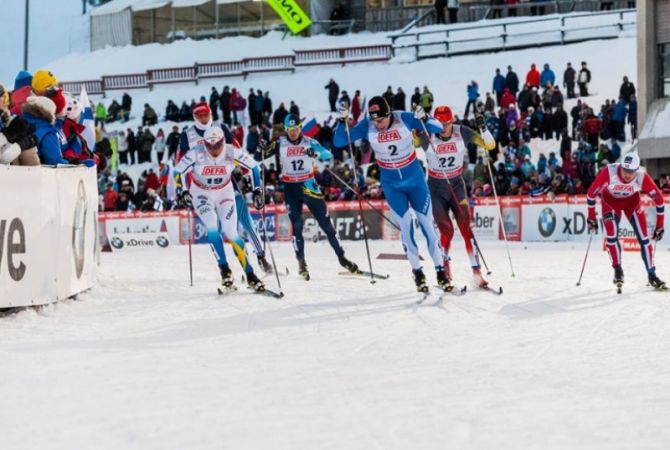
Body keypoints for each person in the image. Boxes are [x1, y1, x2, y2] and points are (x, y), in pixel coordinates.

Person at [334, 97, 447, 292]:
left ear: (389, 114)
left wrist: (425, 117)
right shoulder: (368, 125)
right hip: (392, 185)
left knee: (427, 225)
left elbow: (438, 127)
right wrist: (341, 122)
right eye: (375, 121)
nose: (378, 125)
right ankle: (418, 273)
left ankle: (441, 272)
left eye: (381, 120)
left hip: (415, 181)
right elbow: (339, 141)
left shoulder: (403, 118)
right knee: (406, 226)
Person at [260, 114, 359, 280]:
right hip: (291, 189)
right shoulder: (279, 144)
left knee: (326, 225)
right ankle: (301, 263)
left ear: (300, 128)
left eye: (296, 129)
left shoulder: (309, 142)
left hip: (309, 187)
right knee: (297, 226)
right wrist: (261, 148)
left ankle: (342, 258)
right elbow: (260, 156)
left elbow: (327, 155)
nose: (293, 132)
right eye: (290, 129)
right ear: (286, 130)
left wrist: (315, 154)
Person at [179, 101, 272, 272]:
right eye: (200, 116)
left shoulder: (220, 128)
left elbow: (236, 150)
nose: (203, 118)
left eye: (206, 115)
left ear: (210, 113)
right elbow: (181, 164)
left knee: (244, 220)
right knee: (216, 226)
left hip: (225, 182)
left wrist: (245, 175)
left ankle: (261, 258)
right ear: (194, 117)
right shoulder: (187, 135)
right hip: (201, 186)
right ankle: (233, 266)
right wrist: (184, 189)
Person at [174, 127, 266, 292]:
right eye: (210, 146)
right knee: (211, 224)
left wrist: (258, 190)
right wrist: (182, 191)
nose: (214, 150)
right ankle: (224, 270)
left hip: (224, 192)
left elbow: (254, 167)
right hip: (201, 193)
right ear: (205, 144)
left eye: (217, 146)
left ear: (223, 142)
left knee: (231, 232)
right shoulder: (197, 153)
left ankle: (250, 274)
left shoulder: (231, 152)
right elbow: (178, 170)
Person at [422, 105, 495, 288]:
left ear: (451, 121)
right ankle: (445, 267)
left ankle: (476, 271)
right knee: (447, 231)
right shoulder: (427, 133)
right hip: (435, 188)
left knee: (466, 228)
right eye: (438, 124)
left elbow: (490, 145)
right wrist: (418, 123)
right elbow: (411, 142)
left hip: (456, 185)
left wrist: (484, 128)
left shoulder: (462, 132)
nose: (441, 128)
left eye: (445, 124)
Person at [586, 153, 666, 290]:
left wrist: (660, 226)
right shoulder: (610, 171)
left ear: (637, 170)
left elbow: (659, 200)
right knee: (611, 236)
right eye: (625, 170)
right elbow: (591, 194)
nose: (627, 174)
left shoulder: (642, 177)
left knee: (644, 239)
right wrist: (591, 217)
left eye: (631, 171)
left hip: (632, 203)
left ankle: (652, 275)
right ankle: (617, 269)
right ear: (620, 166)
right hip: (610, 203)